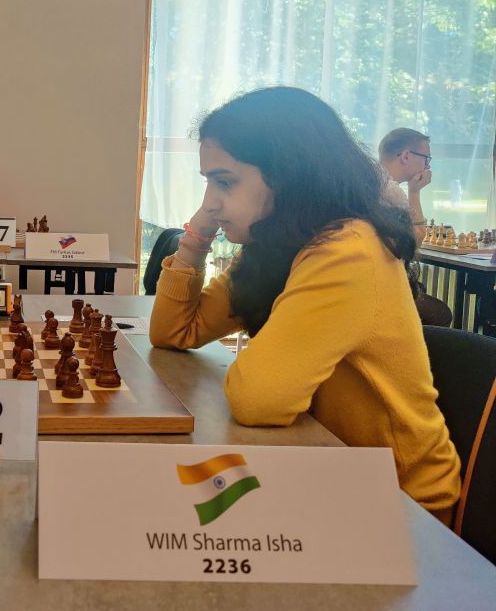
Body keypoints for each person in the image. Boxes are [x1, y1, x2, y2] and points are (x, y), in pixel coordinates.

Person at [149, 87, 461, 523]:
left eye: (224, 182)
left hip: (402, 503)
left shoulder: (347, 249)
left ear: (287, 175)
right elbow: (173, 332)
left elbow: (258, 399)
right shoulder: (279, 243)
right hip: (327, 470)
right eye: (208, 182)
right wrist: (197, 236)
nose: (210, 202)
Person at [378, 127, 452, 327]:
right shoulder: (390, 191)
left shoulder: (370, 180)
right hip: (381, 287)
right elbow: (415, 241)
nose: (427, 166)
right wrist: (415, 192)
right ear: (405, 156)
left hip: (370, 278)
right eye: (426, 158)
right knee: (440, 314)